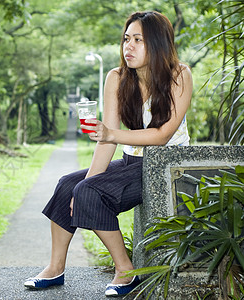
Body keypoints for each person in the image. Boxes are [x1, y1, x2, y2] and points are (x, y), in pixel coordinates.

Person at [24, 11, 192, 297]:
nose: (129, 46)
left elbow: (162, 135)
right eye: (126, 39)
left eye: (138, 40)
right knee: (68, 185)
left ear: (158, 43)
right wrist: (82, 187)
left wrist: (110, 136)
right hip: (131, 162)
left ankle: (125, 270)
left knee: (88, 191)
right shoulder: (116, 78)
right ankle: (55, 268)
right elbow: (107, 140)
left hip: (167, 167)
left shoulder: (180, 75)